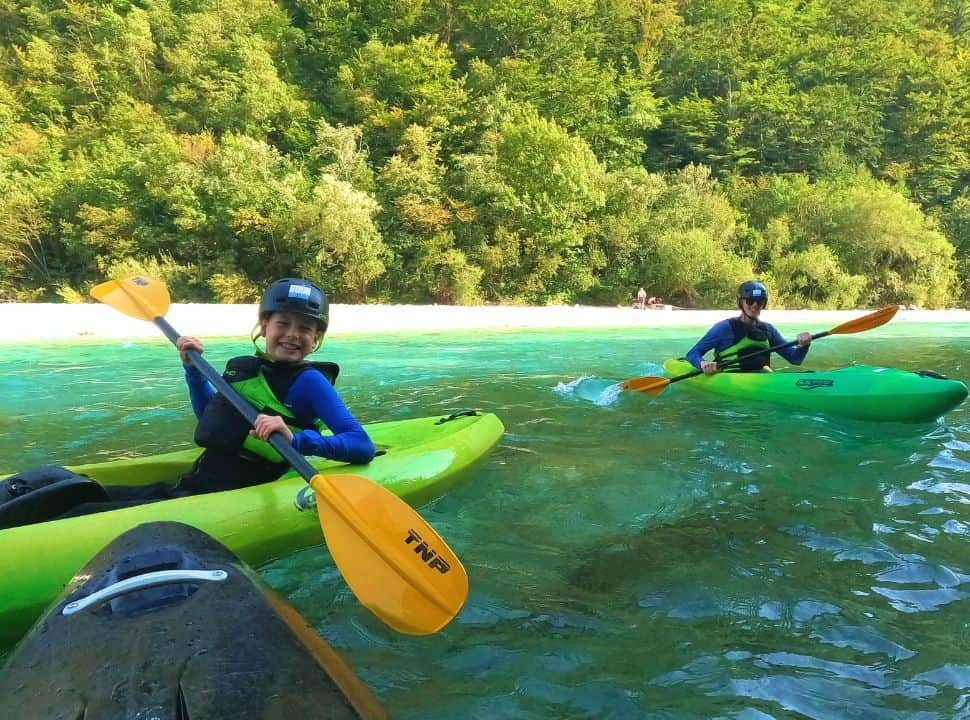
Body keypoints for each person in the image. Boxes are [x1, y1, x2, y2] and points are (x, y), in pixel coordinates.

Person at [57, 277, 376, 516]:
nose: (293, 334)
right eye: (283, 323)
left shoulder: (310, 382)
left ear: (316, 338)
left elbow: (362, 445)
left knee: (77, 514)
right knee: (76, 494)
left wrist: (297, 439)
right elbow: (212, 417)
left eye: (306, 328)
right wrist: (192, 371)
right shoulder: (246, 370)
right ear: (264, 326)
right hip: (195, 482)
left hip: (229, 497)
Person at [685, 281, 813, 374]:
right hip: (731, 381)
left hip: (763, 377)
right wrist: (703, 363)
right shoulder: (724, 328)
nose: (755, 305)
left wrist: (804, 346)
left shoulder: (768, 330)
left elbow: (795, 359)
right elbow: (692, 353)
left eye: (760, 301)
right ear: (741, 302)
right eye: (750, 301)